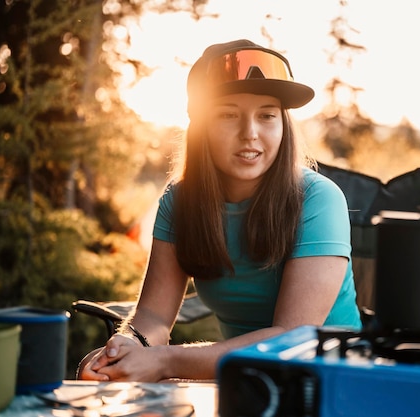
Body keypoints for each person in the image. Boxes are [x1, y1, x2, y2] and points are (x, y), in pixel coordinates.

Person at [78, 39, 362, 382]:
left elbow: (291, 336)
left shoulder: (318, 200)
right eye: (229, 114)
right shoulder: (180, 202)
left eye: (267, 115)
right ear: (202, 127)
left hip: (333, 384)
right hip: (244, 382)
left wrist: (165, 361)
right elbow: (153, 315)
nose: (250, 133)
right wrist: (125, 346)